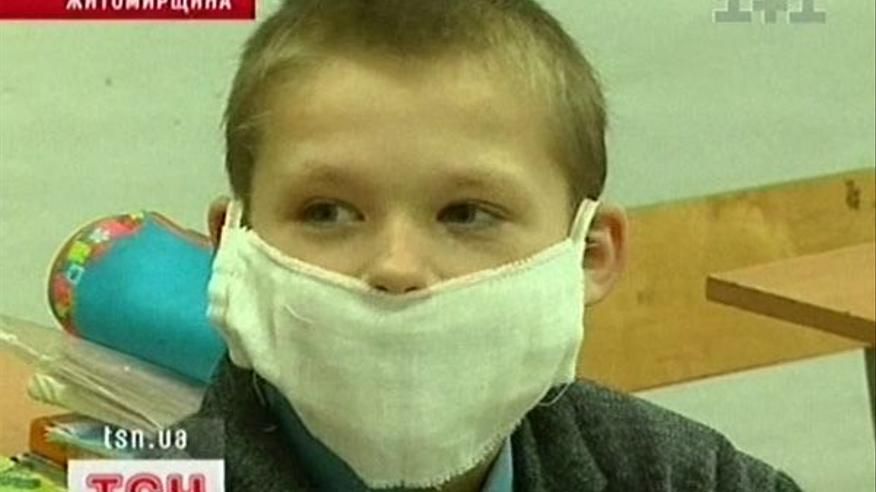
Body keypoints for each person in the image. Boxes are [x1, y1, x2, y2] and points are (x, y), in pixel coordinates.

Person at [164, 1, 805, 490]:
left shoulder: (690, 478)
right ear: (230, 246)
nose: (396, 268)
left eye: (466, 214)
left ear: (588, 253)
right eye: (326, 213)